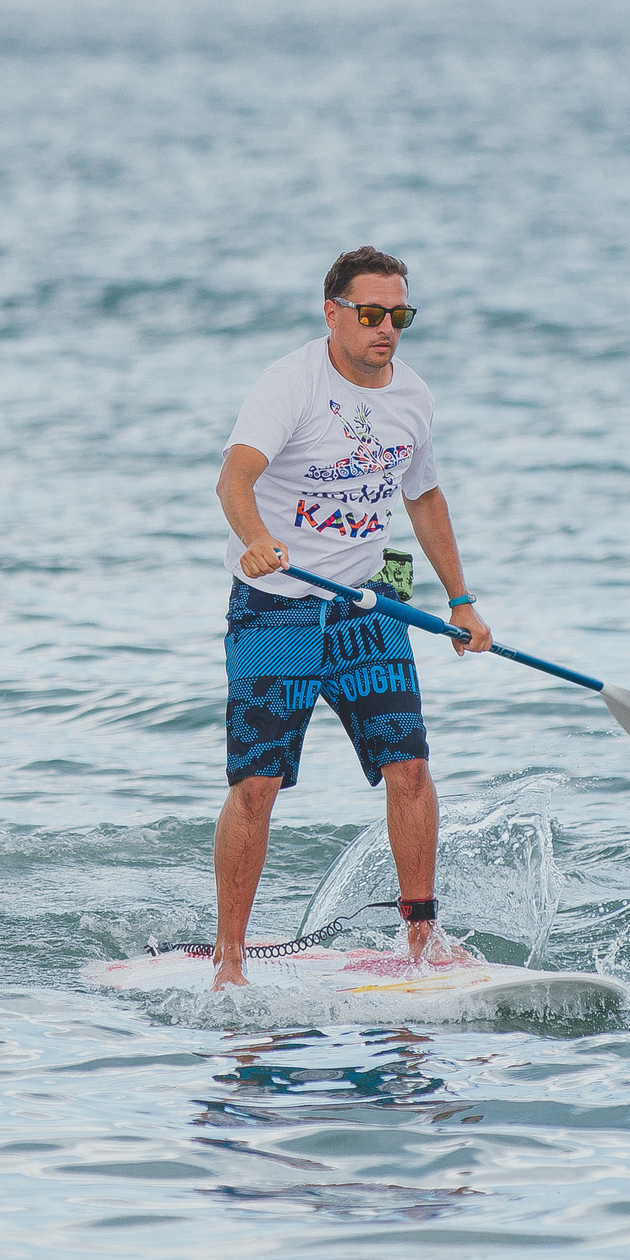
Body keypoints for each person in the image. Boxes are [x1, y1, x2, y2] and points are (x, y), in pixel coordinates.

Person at [209, 245, 494, 990]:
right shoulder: (290, 384)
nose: (386, 329)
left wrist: (462, 599)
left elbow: (423, 497)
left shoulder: (413, 398)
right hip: (277, 606)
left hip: (370, 600)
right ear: (332, 312)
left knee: (410, 767)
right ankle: (230, 955)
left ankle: (422, 937)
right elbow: (234, 477)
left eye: (399, 315)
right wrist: (258, 539)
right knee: (257, 784)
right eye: (371, 314)